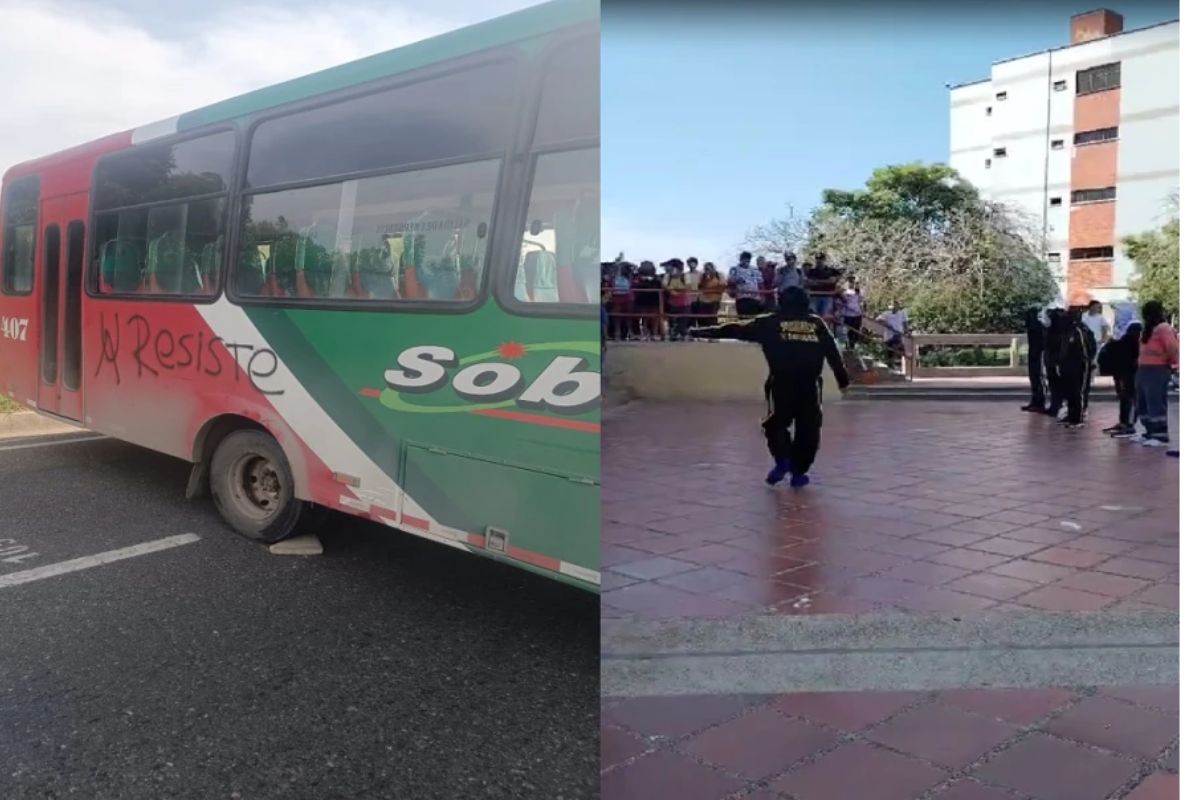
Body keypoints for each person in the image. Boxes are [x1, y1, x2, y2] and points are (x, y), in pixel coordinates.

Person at [690, 286, 851, 488]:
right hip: (809, 385)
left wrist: (699, 331)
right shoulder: (815, 323)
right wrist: (843, 380)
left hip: (781, 382)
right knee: (809, 428)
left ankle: (783, 460)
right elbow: (832, 353)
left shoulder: (769, 322)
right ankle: (798, 471)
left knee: (776, 423)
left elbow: (733, 329)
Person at [1133, 301, 1179, 447]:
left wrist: (1174, 364)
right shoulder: (1147, 329)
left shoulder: (1164, 328)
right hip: (1143, 369)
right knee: (1143, 403)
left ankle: (1161, 436)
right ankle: (1149, 432)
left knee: (1155, 402)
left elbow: (1172, 348)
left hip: (1158, 369)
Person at [1101, 321, 1142, 438]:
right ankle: (1128, 425)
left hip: (1119, 374)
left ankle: (1124, 422)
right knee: (1131, 399)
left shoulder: (1123, 341)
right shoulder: (1134, 342)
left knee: (1125, 399)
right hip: (1130, 374)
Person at [1060, 308, 1097, 429]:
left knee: (1078, 392)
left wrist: (1087, 360)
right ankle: (1071, 416)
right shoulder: (1068, 329)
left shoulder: (1080, 330)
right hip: (1068, 364)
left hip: (1079, 364)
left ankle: (1078, 418)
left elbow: (1086, 349)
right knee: (1070, 392)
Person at [1021, 308, 1047, 412]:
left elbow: (1042, 343)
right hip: (1033, 353)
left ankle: (1039, 402)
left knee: (1038, 378)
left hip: (1038, 354)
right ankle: (1035, 401)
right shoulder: (1032, 326)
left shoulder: (1038, 327)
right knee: (1034, 378)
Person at [1043, 308, 1066, 418]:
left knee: (1056, 384)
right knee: (1054, 384)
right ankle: (1055, 404)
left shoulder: (1057, 331)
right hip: (1052, 360)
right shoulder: (1054, 329)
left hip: (1055, 360)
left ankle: (1057, 405)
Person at [728, 251, 764, 317]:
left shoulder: (755, 269)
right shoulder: (734, 269)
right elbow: (730, 282)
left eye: (748, 260)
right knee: (744, 319)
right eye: (744, 259)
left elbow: (760, 283)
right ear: (741, 259)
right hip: (742, 298)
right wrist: (737, 281)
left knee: (754, 318)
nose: (746, 262)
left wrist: (762, 296)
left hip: (754, 298)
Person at [661, 259, 691, 341]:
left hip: (684, 301)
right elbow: (664, 285)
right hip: (672, 302)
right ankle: (673, 334)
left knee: (683, 319)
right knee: (672, 319)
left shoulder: (685, 276)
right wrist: (671, 290)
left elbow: (688, 286)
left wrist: (678, 290)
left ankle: (682, 334)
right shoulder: (668, 276)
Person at [878, 300, 909, 367]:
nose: (894, 308)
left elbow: (905, 323)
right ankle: (890, 364)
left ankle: (894, 362)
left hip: (898, 333)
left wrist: (907, 331)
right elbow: (879, 319)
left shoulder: (902, 313)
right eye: (893, 307)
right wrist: (887, 324)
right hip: (888, 335)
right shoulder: (886, 313)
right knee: (889, 351)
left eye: (896, 306)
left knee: (896, 347)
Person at [696, 263, 725, 327]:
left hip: (714, 300)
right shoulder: (702, 276)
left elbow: (722, 286)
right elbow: (699, 286)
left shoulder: (719, 275)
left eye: (709, 268)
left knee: (712, 318)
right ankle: (702, 331)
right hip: (703, 300)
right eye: (706, 268)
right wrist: (706, 279)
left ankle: (712, 332)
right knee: (702, 318)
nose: (708, 270)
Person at [841, 278, 864, 350]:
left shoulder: (858, 292)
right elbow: (845, 302)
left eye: (853, 282)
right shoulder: (845, 292)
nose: (852, 284)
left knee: (856, 330)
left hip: (857, 315)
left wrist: (862, 311)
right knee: (849, 330)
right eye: (851, 282)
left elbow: (861, 301)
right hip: (848, 314)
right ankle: (847, 344)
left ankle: (853, 345)